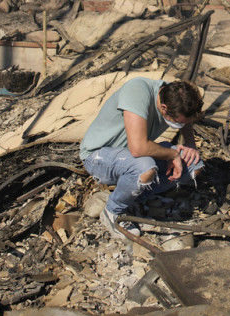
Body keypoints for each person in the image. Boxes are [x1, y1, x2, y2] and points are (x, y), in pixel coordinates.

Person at [80, 77, 206, 239]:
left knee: (194, 165)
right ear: (163, 107)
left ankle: (136, 200)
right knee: (145, 168)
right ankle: (112, 212)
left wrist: (190, 144)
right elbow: (138, 148)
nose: (181, 126)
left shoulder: (174, 95)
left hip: (132, 156)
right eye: (177, 123)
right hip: (98, 156)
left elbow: (185, 118)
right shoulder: (138, 91)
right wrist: (172, 154)